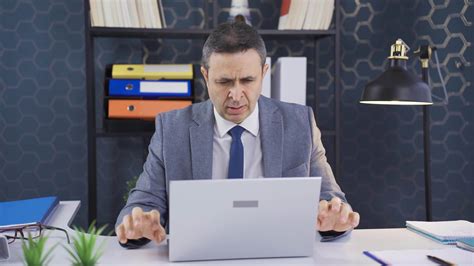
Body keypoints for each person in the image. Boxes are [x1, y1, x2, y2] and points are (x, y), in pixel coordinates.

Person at [115, 22, 360, 248]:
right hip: (198, 257)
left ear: (264, 73)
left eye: (247, 80)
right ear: (206, 76)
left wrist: (334, 218)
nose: (235, 94)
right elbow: (143, 203)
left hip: (280, 255)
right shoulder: (172, 128)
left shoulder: (299, 123)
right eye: (224, 81)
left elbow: (329, 197)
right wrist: (138, 223)